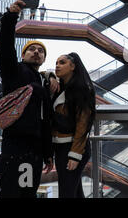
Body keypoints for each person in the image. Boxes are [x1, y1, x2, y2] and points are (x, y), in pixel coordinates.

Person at [0, 0, 57, 198]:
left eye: (41, 51)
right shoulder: (14, 71)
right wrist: (10, 16)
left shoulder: (43, 81)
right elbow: (5, 48)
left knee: (28, 192)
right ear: (23, 55)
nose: (36, 52)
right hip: (15, 146)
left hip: (35, 150)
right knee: (13, 193)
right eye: (32, 49)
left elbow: (45, 119)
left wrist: (48, 153)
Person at [52, 52, 96, 198]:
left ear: (73, 66)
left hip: (73, 148)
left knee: (67, 192)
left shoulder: (82, 89)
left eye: (62, 62)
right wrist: (50, 76)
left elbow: (83, 124)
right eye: (56, 63)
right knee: (74, 191)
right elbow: (41, 73)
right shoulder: (61, 87)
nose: (57, 65)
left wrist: (75, 155)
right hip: (61, 147)